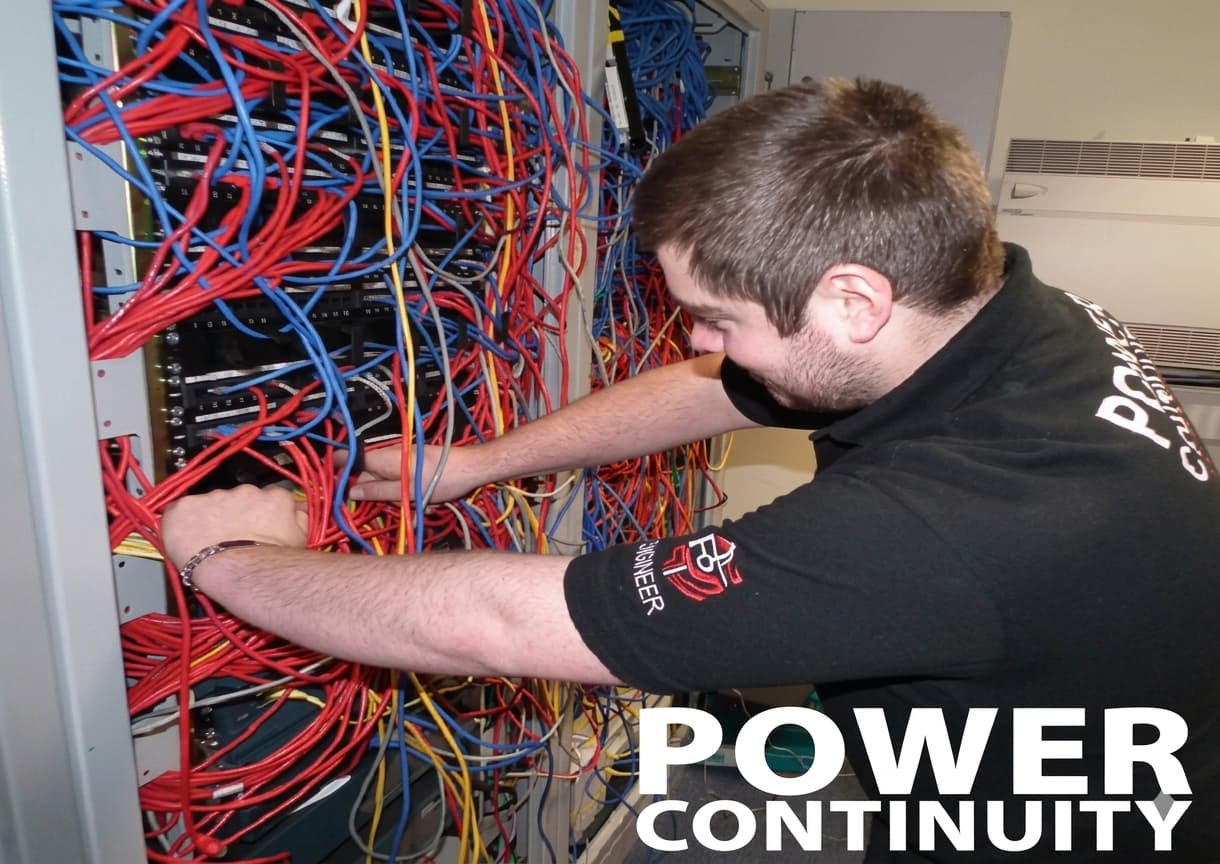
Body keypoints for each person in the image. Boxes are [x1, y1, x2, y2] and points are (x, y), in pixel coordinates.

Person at [162, 79, 1220, 861]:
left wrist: (230, 556)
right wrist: (478, 462)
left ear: (851, 300)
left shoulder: (936, 529)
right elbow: (730, 384)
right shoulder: (1010, 314)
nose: (705, 342)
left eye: (716, 314)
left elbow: (493, 624)